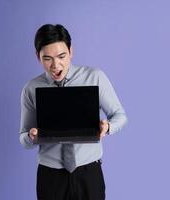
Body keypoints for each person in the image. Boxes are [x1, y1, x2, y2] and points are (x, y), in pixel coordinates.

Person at [19, 24, 127, 200]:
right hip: (50, 175)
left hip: (89, 172)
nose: (55, 65)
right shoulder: (31, 88)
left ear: (71, 51)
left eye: (61, 56)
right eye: (47, 58)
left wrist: (107, 127)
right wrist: (31, 136)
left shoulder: (94, 77)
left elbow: (120, 116)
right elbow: (23, 138)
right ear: (38, 57)